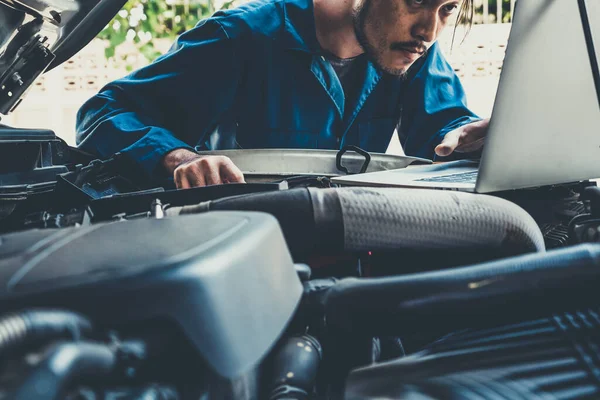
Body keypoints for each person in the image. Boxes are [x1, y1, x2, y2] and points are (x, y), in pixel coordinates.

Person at [76, 0, 489, 188]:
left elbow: (444, 132)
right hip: (242, 237)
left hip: (354, 240)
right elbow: (102, 112)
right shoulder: (241, 36)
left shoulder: (412, 52)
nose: (430, 31)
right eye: (417, 3)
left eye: (447, 9)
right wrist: (179, 158)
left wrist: (472, 137)